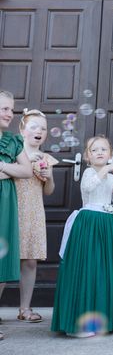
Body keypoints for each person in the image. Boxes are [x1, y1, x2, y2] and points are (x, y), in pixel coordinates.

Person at [51, 136, 113, 337]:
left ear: (110, 154)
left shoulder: (112, 178)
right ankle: (78, 323)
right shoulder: (89, 172)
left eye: (104, 149)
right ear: (87, 156)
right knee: (87, 268)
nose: (100, 152)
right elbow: (88, 188)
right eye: (94, 150)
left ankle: (105, 318)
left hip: (107, 224)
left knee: (104, 269)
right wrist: (107, 169)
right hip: (89, 223)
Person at [15, 109, 58, 323]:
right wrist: (25, 161)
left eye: (43, 128)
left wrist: (48, 177)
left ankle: (25, 308)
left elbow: (48, 190)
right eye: (34, 126)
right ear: (22, 130)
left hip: (33, 212)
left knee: (30, 261)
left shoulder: (46, 158)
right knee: (6, 260)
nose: (39, 131)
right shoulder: (12, 152)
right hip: (12, 210)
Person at [0, 90, 34, 341]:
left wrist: (3, 166)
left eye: (11, 109)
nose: (9, 114)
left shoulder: (13, 141)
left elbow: (26, 170)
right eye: (4, 108)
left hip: (5, 203)